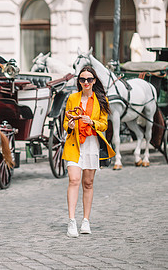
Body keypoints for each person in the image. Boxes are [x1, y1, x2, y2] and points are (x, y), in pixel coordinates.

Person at [62, 65, 115, 237]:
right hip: (74, 143)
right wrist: (69, 126)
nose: (86, 82)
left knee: (88, 183)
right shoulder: (72, 98)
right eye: (83, 79)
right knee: (74, 179)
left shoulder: (101, 100)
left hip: (91, 143)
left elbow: (104, 124)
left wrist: (91, 122)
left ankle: (86, 220)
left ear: (94, 81)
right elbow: (65, 122)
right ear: (79, 81)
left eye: (89, 79)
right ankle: (71, 222)